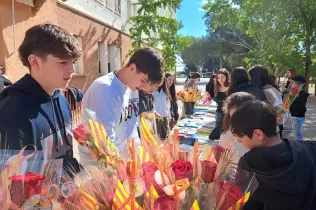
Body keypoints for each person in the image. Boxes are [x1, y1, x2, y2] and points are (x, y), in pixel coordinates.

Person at [0, 23, 81, 174]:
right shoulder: (11, 112)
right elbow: (10, 182)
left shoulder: (62, 100)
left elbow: (67, 156)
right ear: (35, 62)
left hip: (67, 194)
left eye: (73, 62)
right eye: (63, 62)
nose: (72, 70)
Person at [82, 47, 163, 166]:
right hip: (103, 168)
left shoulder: (132, 87)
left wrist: (138, 157)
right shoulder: (105, 89)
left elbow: (132, 126)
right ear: (132, 68)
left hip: (126, 163)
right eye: (143, 80)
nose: (144, 87)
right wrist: (120, 167)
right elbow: (105, 140)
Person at [230, 100, 316, 210]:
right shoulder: (306, 147)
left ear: (258, 134)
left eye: (240, 136)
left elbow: (244, 202)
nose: (238, 140)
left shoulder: (249, 163)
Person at [248, 65, 283, 138]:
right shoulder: (266, 89)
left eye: (250, 77)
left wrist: (275, 119)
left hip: (269, 132)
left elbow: (281, 110)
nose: (249, 80)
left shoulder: (269, 91)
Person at [209, 68, 230, 140]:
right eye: (218, 77)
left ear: (227, 77)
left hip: (228, 112)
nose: (220, 79)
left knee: (226, 128)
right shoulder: (216, 86)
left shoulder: (230, 86)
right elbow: (214, 97)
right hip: (219, 110)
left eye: (222, 77)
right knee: (217, 126)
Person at [290, 75, 310, 140]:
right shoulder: (293, 92)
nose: (292, 85)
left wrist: (296, 95)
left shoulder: (303, 94)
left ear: (300, 85)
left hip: (298, 116)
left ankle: (300, 145)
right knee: (295, 132)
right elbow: (288, 104)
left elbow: (300, 106)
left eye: (294, 83)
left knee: (297, 133)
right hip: (293, 114)